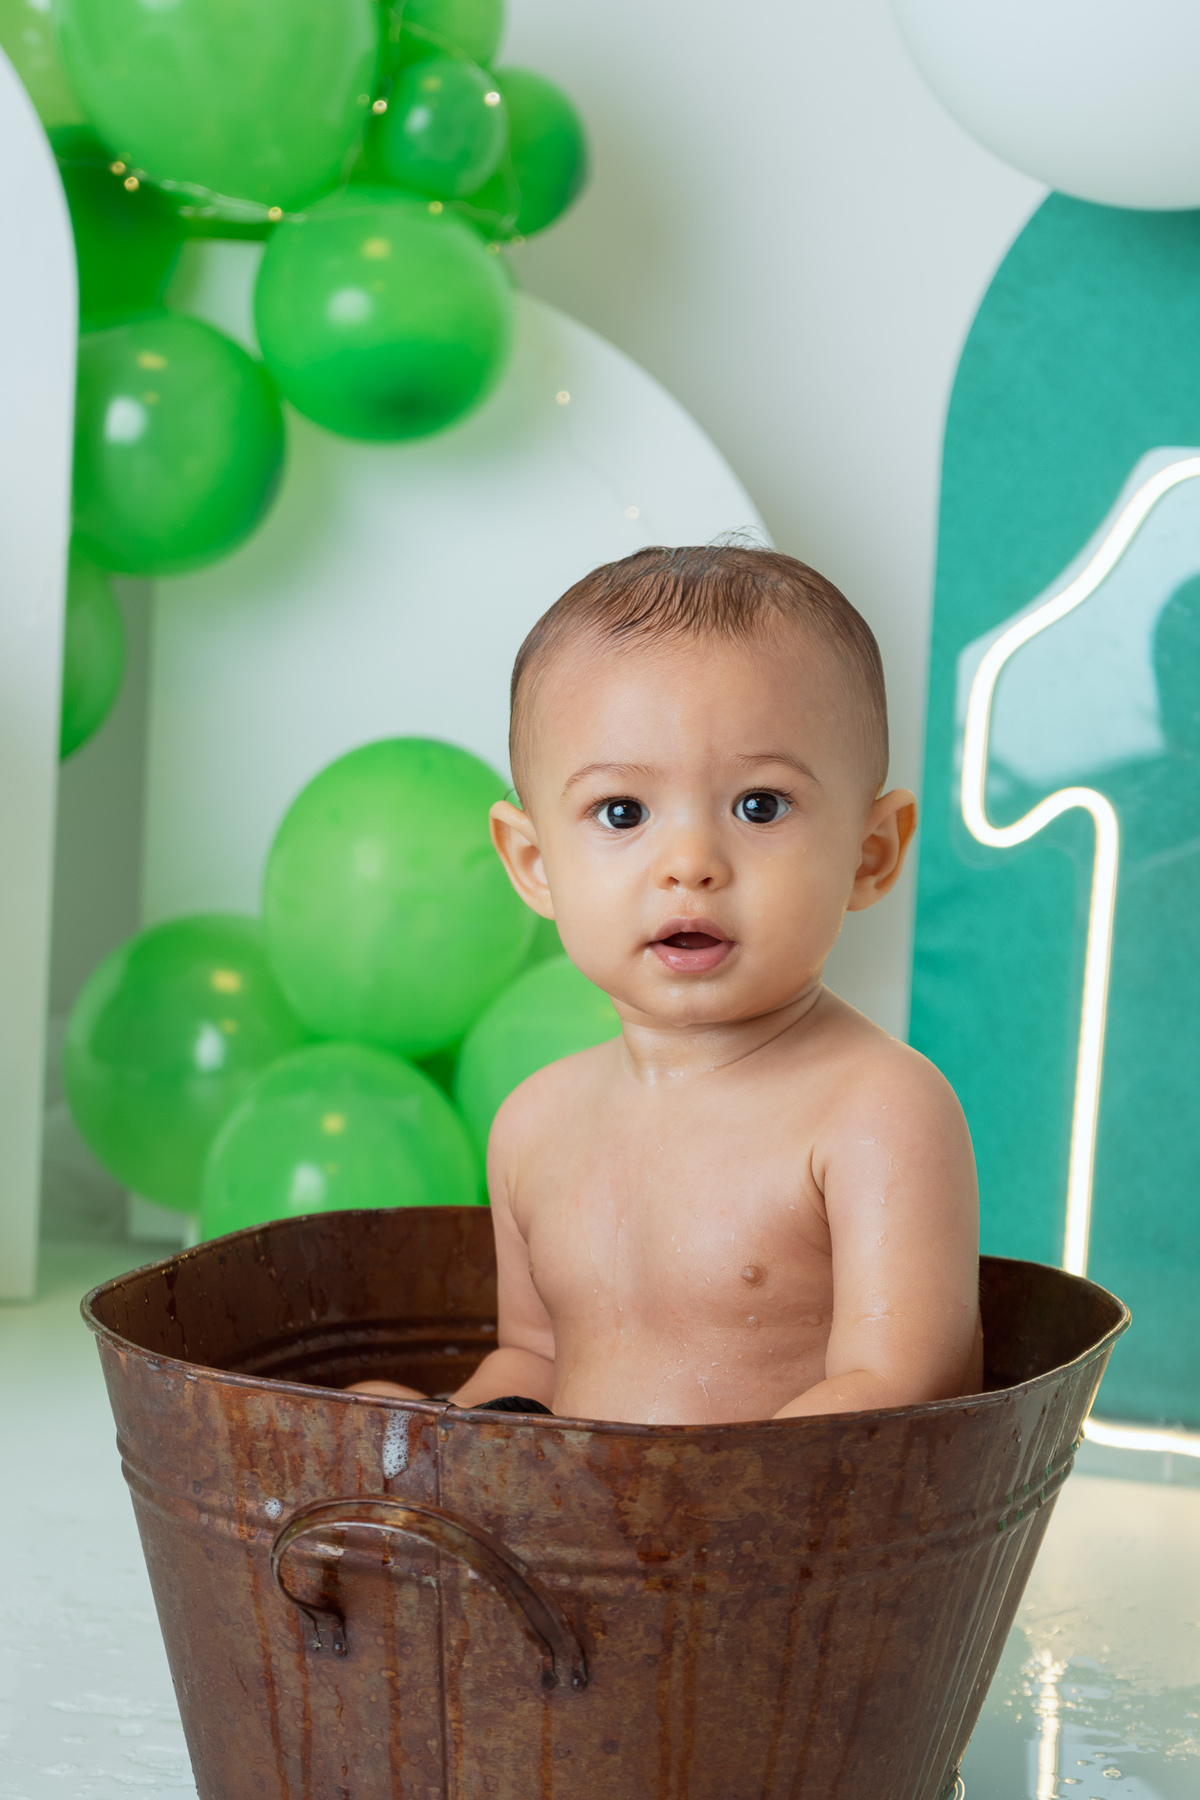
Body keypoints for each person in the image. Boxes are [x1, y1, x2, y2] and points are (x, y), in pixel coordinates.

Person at [352, 545, 982, 1423]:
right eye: (623, 812)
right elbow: (535, 1361)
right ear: (535, 864)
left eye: (760, 805)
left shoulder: (877, 1111)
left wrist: (694, 1493)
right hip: (574, 1510)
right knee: (373, 1408)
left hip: (783, 1509)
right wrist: (448, 1430)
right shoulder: (534, 1124)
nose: (689, 863)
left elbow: (900, 1388)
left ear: (869, 855)